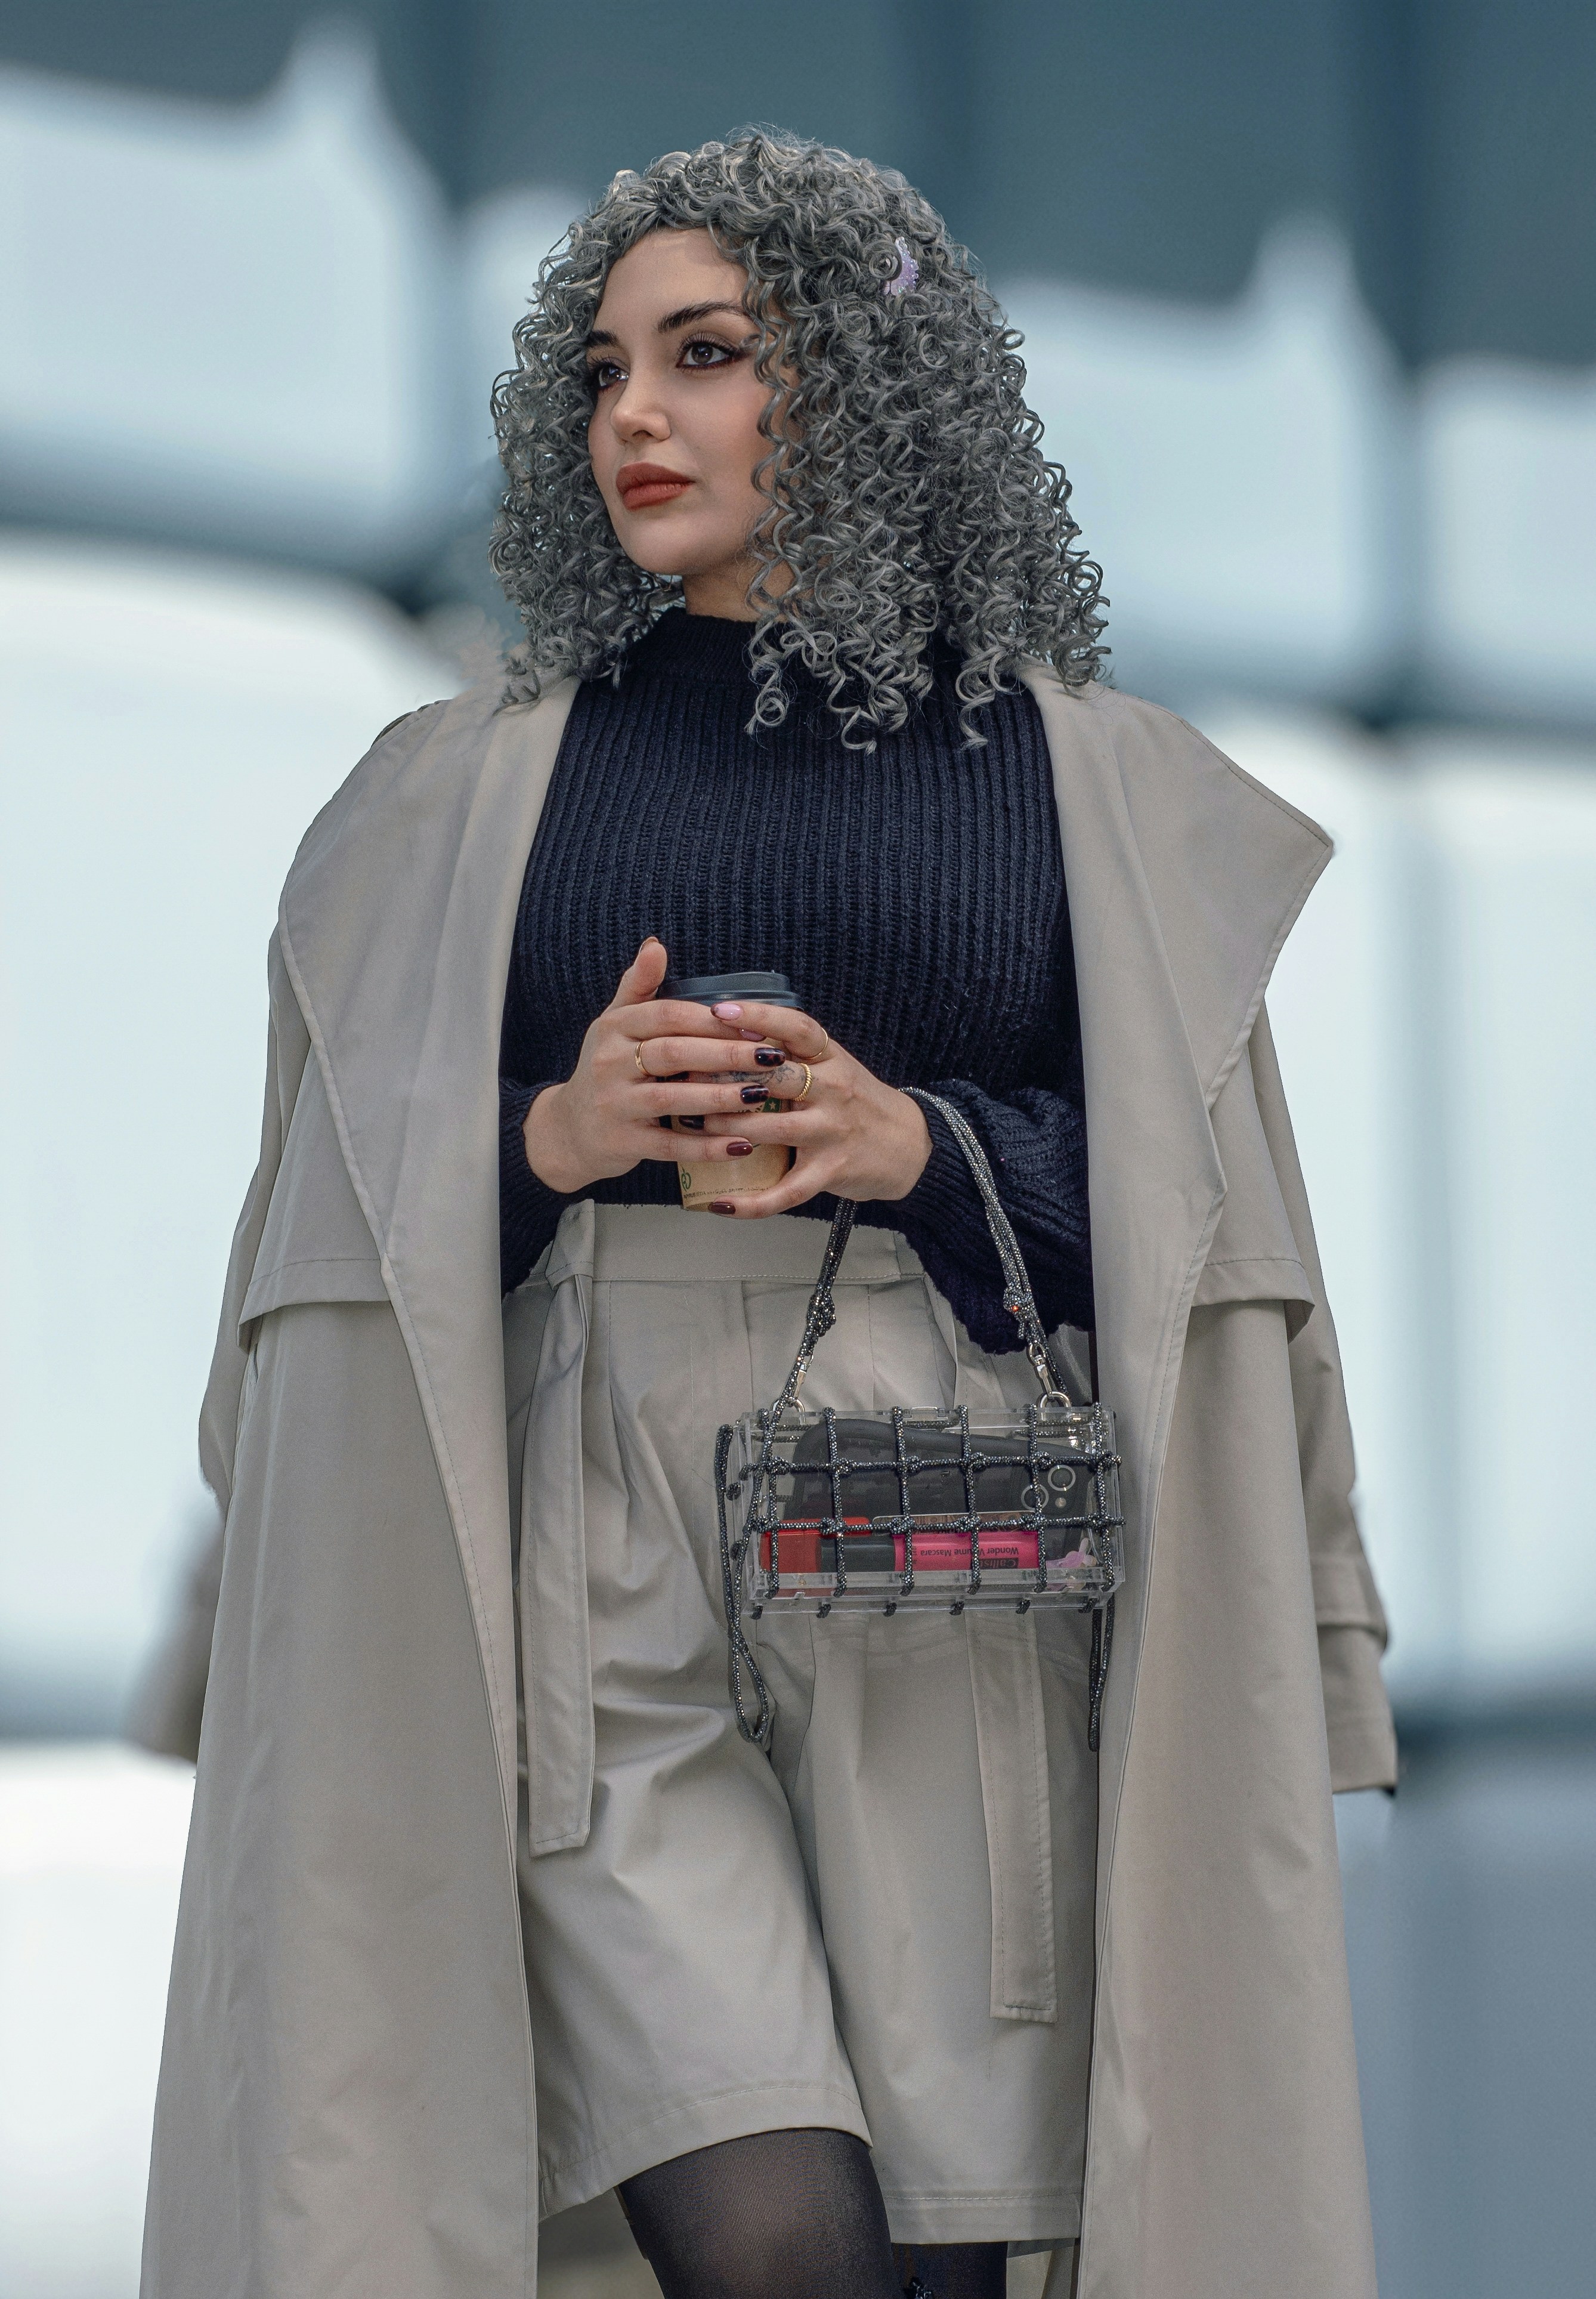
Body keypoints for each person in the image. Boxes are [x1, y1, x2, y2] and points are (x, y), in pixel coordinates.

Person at [138, 134, 1396, 2299]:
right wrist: (547, 1135)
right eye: (609, 369)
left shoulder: (1080, 779)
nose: (636, 414)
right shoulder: (463, 791)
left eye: (707, 356)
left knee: (950, 2256)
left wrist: (919, 1151)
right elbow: (315, 1247)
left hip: (955, 1545)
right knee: (768, 2234)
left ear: (868, 391)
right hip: (592, 1557)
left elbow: (1206, 1252)